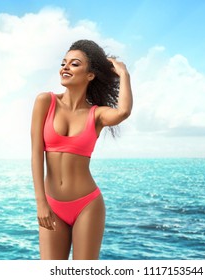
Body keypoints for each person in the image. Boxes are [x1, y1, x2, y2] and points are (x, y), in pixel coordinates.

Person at [30, 39, 132, 260]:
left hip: (87, 205)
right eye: (63, 63)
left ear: (90, 75)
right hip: (52, 204)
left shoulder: (96, 115)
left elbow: (123, 112)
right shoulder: (44, 102)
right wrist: (41, 203)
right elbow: (36, 153)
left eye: (74, 64)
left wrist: (124, 74)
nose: (65, 67)